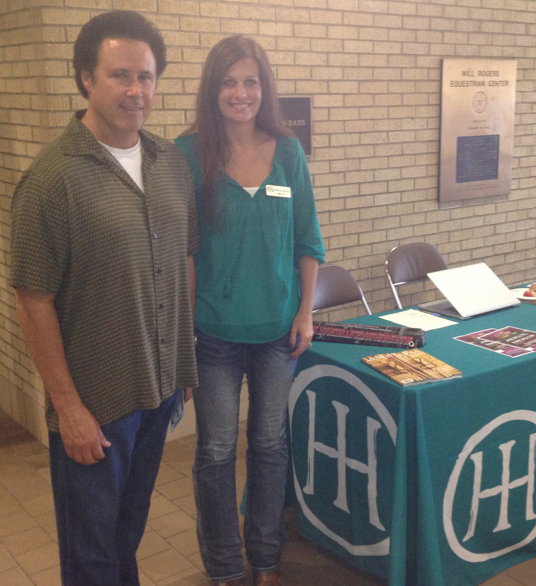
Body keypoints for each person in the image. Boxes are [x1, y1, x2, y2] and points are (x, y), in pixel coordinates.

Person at [10, 10, 198, 586]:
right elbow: (33, 299)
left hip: (157, 389)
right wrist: (68, 409)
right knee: (90, 550)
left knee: (129, 528)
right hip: (96, 403)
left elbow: (180, 263)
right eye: (119, 75)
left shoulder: (170, 164)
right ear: (86, 79)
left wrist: (181, 361)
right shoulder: (52, 179)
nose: (135, 90)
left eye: (145, 76)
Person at [175, 35, 325, 586]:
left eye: (251, 82)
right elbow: (181, 253)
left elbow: (309, 242)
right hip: (212, 334)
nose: (241, 93)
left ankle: (265, 561)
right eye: (229, 82)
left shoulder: (289, 153)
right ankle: (223, 567)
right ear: (213, 90)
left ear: (265, 89)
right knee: (215, 453)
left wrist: (305, 312)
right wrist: (179, 340)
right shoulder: (187, 155)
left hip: (277, 334)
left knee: (268, 446)